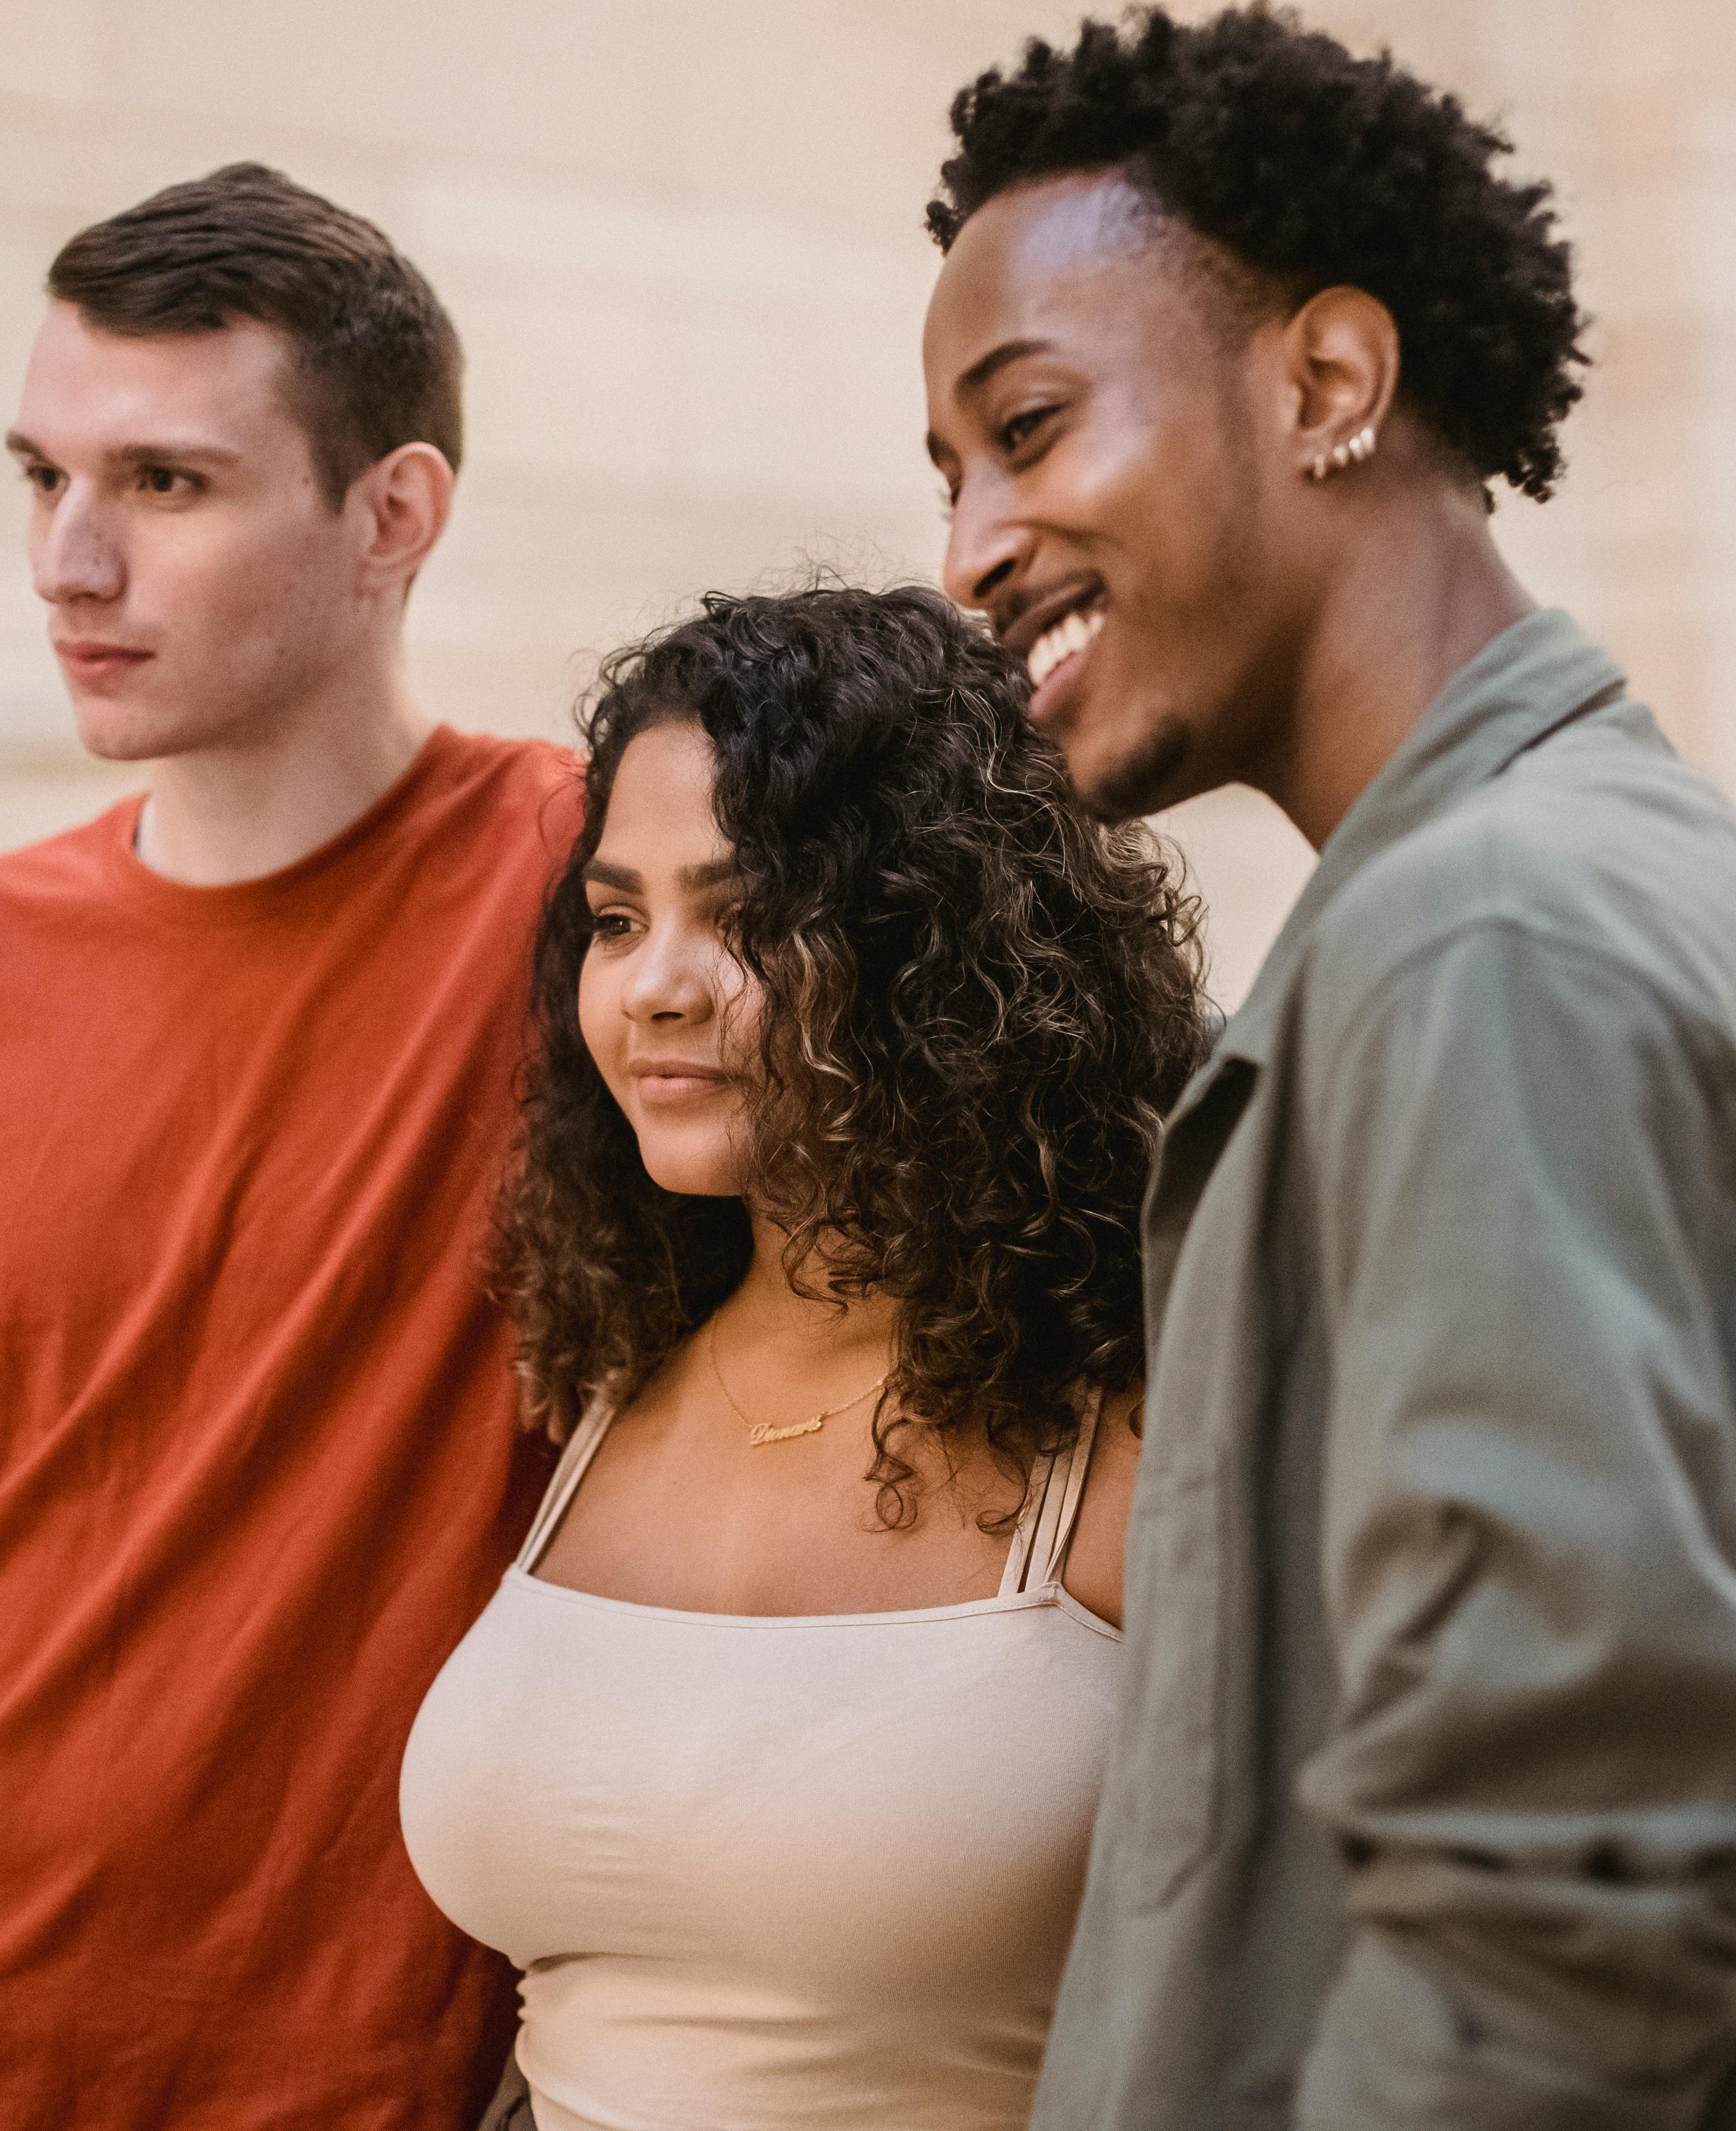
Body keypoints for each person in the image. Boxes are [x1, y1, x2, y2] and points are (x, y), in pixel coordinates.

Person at [919, 12, 1736, 2128]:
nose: (971, 551)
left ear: (1330, 384)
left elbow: (1589, 1866)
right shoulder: (1585, 842)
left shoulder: (1487, 937)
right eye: (952, 474)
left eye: (1025, 428)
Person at [0, 164, 576, 2129]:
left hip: (342, 2070)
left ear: (395, 515)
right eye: (41, 478)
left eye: (163, 486)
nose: (65, 567)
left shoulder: (581, 889)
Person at [398, 584, 1208, 2131]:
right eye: (620, 919)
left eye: (750, 914)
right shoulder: (606, 1379)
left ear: (937, 948)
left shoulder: (1138, 1432)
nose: (654, 986)